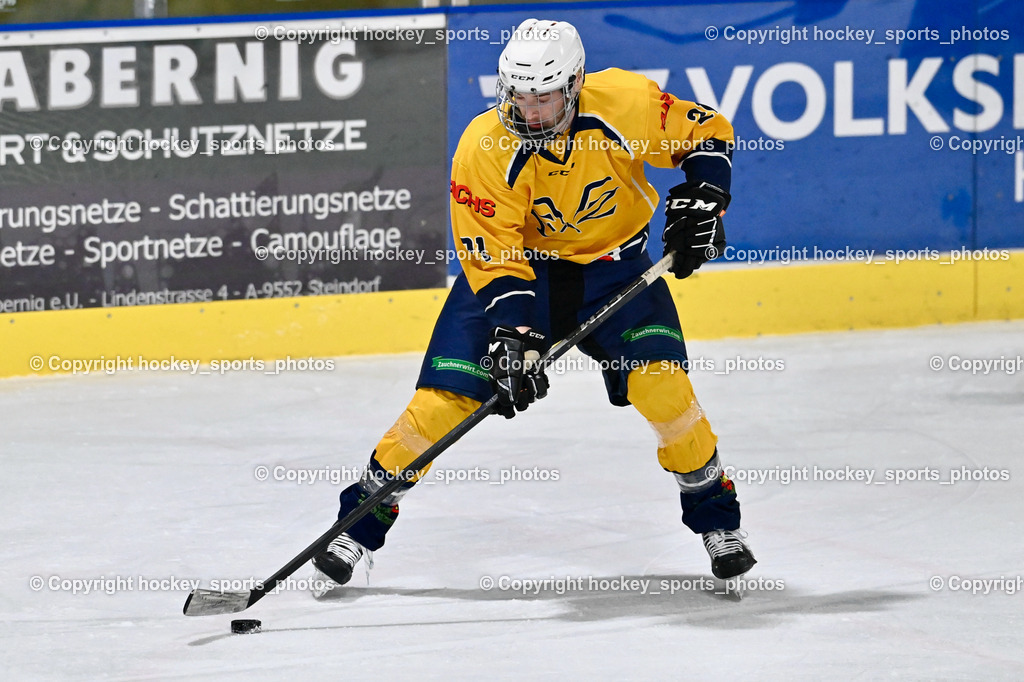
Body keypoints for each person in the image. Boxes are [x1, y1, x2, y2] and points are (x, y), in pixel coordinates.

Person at [312, 18, 755, 592]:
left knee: (665, 390)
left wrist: (705, 196)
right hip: (523, 274)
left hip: (612, 269)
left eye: (544, 97)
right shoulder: (484, 146)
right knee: (439, 406)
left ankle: (719, 525)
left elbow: (706, 136)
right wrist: (513, 336)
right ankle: (355, 528)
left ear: (574, 84)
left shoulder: (623, 101)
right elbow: (493, 253)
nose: (531, 110)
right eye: (519, 95)